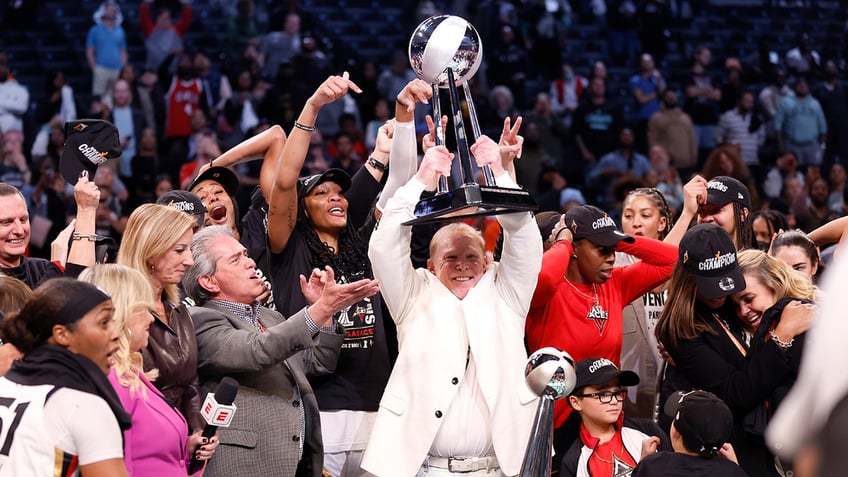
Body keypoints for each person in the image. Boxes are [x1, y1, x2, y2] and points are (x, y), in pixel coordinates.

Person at [362, 134, 542, 477]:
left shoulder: (507, 291)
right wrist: (421, 180)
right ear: (430, 266)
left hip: (502, 467)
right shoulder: (413, 295)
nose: (462, 265)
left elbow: (526, 241)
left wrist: (499, 177)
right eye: (450, 257)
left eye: (471, 257)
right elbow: (383, 246)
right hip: (425, 468)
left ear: (488, 261)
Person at [183, 225, 379, 476]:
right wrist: (318, 311)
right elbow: (256, 351)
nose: (250, 263)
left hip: (297, 462)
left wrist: (326, 312)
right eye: (236, 259)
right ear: (209, 281)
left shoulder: (271, 317)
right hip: (244, 466)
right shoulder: (201, 319)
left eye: (245, 254)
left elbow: (319, 363)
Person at [654, 223, 813, 476]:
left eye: (728, 283)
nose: (723, 294)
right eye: (712, 285)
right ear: (689, 279)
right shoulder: (681, 328)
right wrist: (782, 336)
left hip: (774, 438)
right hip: (731, 446)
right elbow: (735, 393)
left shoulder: (738, 302)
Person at [526, 204, 677, 443]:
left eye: (613, 250)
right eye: (602, 249)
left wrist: (619, 240)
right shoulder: (548, 291)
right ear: (575, 249)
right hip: (555, 425)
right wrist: (564, 240)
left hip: (605, 421)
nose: (612, 258)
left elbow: (671, 260)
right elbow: (544, 276)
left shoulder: (616, 283)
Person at [81, 264, 219, 475]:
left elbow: (148, 449)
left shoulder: (133, 374)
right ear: (121, 313)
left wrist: (186, 447)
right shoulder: (112, 381)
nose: (151, 318)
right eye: (143, 309)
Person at [0, 278, 131, 476]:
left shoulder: (4, 383)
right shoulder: (83, 406)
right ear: (61, 334)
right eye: (104, 323)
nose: (115, 333)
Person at [116, 203, 204, 433]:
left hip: (177, 441)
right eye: (179, 250)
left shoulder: (179, 310)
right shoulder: (119, 313)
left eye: (190, 250)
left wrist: (196, 432)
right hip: (140, 439)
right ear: (150, 250)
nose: (189, 261)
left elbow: (190, 383)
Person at [617, 188, 675, 418]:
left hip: (671, 374)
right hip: (630, 380)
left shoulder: (680, 267)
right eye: (628, 216)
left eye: (645, 215)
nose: (636, 223)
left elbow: (666, 261)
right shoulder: (613, 264)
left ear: (662, 223)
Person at [560, 357, 671, 477]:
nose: (614, 401)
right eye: (603, 394)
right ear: (576, 402)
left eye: (617, 392)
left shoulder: (647, 430)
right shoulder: (574, 462)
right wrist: (644, 468)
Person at [0, 175, 99, 288]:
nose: (20, 230)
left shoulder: (42, 267)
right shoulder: (52, 270)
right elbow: (35, 306)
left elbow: (78, 296)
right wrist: (56, 267)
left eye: (23, 220)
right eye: (6, 222)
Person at [632, 390, 747, 476]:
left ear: (676, 432)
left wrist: (643, 461)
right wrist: (735, 465)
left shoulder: (653, 466)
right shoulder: (731, 472)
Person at [86, 1, 127, 98]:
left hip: (117, 70)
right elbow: (90, 51)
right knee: (99, 98)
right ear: (103, 11)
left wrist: (123, 69)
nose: (112, 11)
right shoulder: (95, 30)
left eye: (114, 9)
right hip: (101, 69)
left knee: (117, 98)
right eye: (109, 9)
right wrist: (95, 69)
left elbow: (123, 51)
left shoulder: (120, 31)